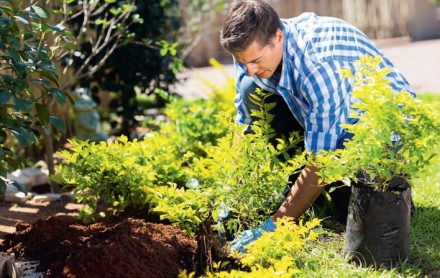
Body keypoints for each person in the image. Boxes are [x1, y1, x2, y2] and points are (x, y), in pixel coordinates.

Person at [219, 0, 415, 253]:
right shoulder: (248, 50)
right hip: (325, 118)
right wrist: (233, 192)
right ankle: (303, 195)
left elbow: (322, 161)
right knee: (251, 89)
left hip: (376, 124)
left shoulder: (318, 64)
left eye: (255, 61)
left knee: (356, 212)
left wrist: (275, 226)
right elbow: (245, 124)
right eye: (242, 62)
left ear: (278, 37)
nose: (250, 69)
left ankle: (394, 195)